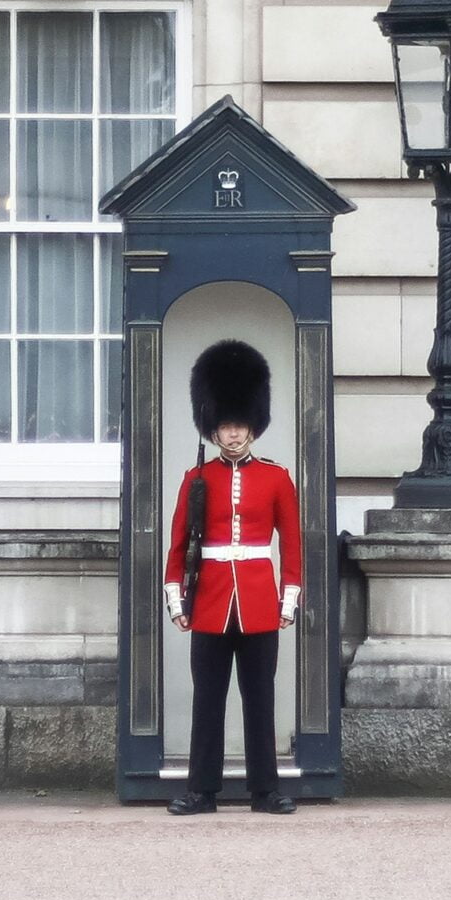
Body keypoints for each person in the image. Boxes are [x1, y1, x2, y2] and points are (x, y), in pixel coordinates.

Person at [164, 340, 301, 815]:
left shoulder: (277, 478)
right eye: (225, 425)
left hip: (261, 601)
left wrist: (289, 601)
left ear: (253, 426)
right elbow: (179, 544)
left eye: (240, 424)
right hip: (211, 601)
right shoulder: (195, 478)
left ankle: (266, 790)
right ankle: (202, 791)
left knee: (260, 700)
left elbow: (293, 545)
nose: (233, 433)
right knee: (209, 700)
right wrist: (178, 600)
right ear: (213, 427)